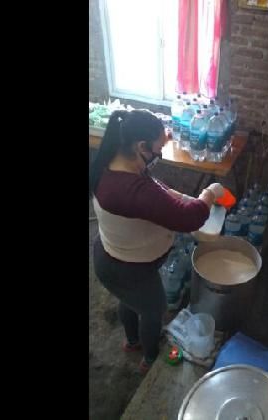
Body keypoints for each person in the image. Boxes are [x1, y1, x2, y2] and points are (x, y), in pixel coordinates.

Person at [90, 109, 223, 373]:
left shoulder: (113, 163)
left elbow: (157, 190)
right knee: (153, 310)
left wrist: (181, 197)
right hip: (129, 269)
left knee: (130, 300)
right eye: (158, 150)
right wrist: (210, 193)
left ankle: (132, 341)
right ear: (141, 146)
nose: (159, 155)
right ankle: (149, 358)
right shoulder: (131, 190)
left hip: (111, 257)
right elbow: (190, 219)